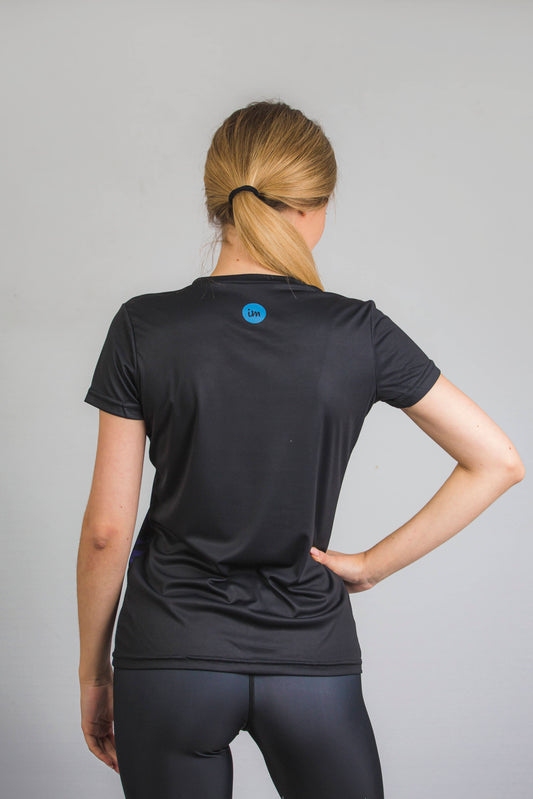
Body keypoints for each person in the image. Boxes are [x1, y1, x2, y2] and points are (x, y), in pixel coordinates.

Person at [77, 100, 525, 799]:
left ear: (217, 203)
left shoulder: (143, 326)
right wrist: (371, 565)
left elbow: (108, 530)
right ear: (314, 207)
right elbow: (497, 460)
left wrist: (94, 674)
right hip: (308, 654)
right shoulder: (357, 331)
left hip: (171, 653)